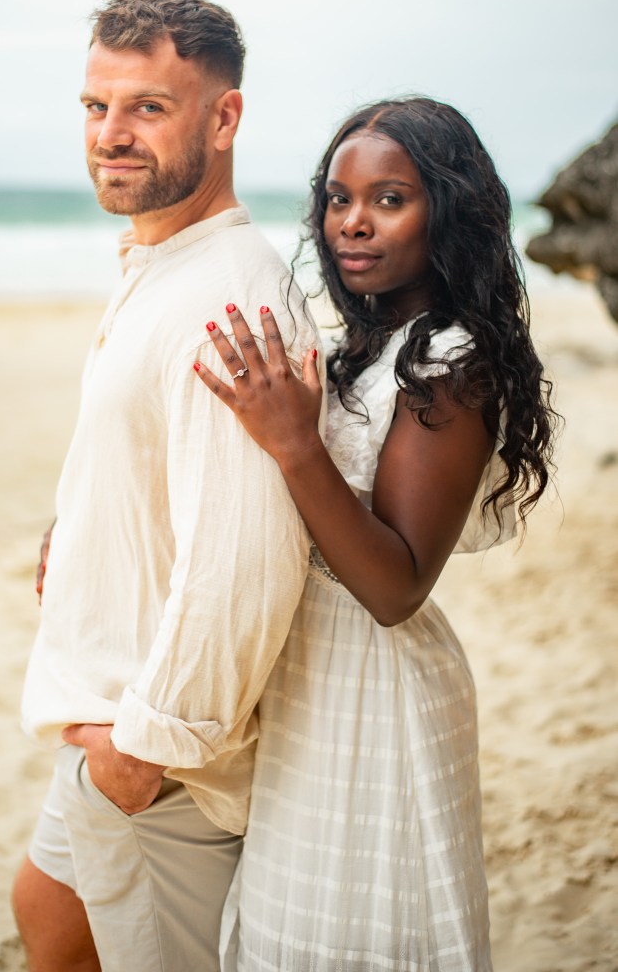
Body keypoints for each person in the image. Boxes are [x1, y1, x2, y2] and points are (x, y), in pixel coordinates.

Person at [194, 97, 558, 970]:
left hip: (376, 683)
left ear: (450, 211)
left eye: (389, 200)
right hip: (307, 673)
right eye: (338, 198)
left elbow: (396, 588)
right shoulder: (365, 347)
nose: (352, 223)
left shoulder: (451, 365)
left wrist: (293, 442)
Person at [11, 0, 321, 972]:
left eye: (148, 107)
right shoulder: (164, 263)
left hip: (156, 753)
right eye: (96, 106)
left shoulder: (226, 299)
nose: (111, 134)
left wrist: (145, 749)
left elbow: (246, 560)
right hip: (108, 714)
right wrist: (78, 528)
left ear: (224, 119)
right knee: (47, 912)